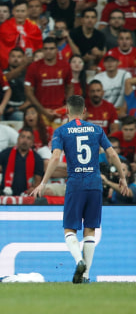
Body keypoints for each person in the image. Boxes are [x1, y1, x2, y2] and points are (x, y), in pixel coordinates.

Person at [30, 95, 128, 283]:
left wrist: (43, 182)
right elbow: (112, 154)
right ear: (84, 111)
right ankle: (86, 275)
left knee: (69, 228)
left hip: (76, 183)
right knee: (90, 229)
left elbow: (56, 157)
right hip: (95, 183)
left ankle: (79, 260)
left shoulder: (61, 131)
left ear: (66, 110)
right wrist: (122, 178)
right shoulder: (96, 129)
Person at [0, 127, 44, 196]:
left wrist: (33, 188)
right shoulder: (6, 153)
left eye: (28, 138)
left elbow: (38, 180)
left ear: (32, 143)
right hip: (5, 193)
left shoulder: (37, 158)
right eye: (22, 137)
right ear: (18, 139)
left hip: (26, 195)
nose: (25, 140)